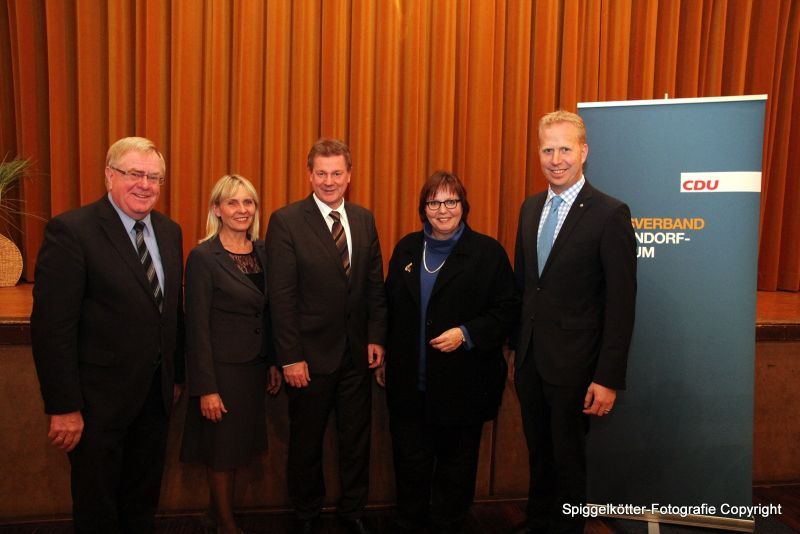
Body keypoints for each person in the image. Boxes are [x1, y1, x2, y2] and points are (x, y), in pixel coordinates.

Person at [30, 137, 184, 533]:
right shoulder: (72, 231)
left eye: (154, 177)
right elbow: (52, 329)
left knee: (141, 505)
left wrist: (176, 375)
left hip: (154, 399)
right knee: (98, 510)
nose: (145, 184)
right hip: (95, 406)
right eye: (134, 174)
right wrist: (64, 406)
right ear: (109, 176)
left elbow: (168, 314)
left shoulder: (170, 231)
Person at [509, 110, 637, 534]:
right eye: (548, 149)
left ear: (584, 151)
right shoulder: (530, 209)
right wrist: (515, 351)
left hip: (577, 368)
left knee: (569, 461)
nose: (556, 158)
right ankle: (538, 522)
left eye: (565, 148)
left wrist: (608, 376)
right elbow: (525, 288)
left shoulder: (609, 213)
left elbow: (621, 304)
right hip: (531, 361)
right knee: (538, 454)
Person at [379, 171, 519, 533]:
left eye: (450, 201)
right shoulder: (407, 248)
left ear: (463, 206)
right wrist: (384, 352)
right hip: (410, 386)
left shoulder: (488, 252)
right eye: (434, 202)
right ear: (423, 208)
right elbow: (388, 305)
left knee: (456, 473)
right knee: (410, 467)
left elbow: (507, 310)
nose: (443, 210)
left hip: (465, 386)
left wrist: (466, 333)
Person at [265, 138, 387, 534]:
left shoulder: (365, 219)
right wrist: (290, 357)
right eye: (322, 173)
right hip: (308, 358)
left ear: (349, 176)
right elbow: (280, 298)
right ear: (309, 175)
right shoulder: (286, 221)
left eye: (337, 173)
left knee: (356, 441)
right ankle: (306, 513)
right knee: (306, 444)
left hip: (356, 355)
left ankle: (352, 512)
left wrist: (375, 336)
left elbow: (373, 287)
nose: (329, 181)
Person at [180, 174, 282, 534]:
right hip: (221, 371)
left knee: (238, 448)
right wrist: (206, 388)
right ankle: (226, 524)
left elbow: (267, 313)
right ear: (216, 209)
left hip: (253, 369)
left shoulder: (265, 252)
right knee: (222, 452)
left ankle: (216, 515)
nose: (242, 210)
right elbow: (196, 328)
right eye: (233, 202)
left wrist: (271, 361)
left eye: (248, 202)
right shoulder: (204, 257)